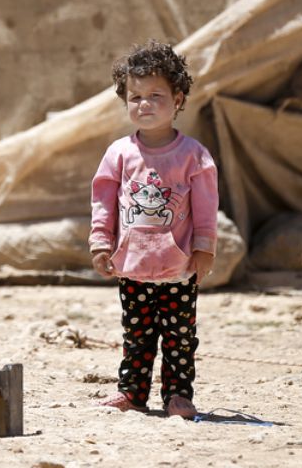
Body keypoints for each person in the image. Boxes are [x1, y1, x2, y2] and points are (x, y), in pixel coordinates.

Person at [89, 41, 218, 418]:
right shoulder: (119, 154)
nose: (144, 104)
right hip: (132, 266)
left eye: (155, 95)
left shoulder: (194, 155)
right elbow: (103, 201)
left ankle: (178, 395)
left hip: (178, 267)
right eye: (135, 97)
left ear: (178, 99)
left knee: (179, 337)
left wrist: (205, 247)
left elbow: (206, 207)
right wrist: (101, 242)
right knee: (137, 335)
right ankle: (132, 393)